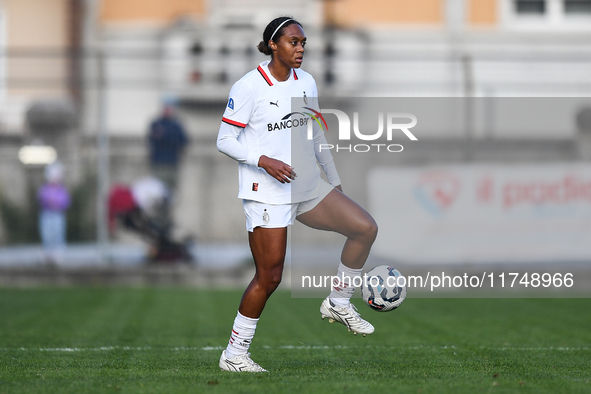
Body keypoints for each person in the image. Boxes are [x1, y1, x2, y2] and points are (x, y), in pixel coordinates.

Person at [216, 16, 378, 373]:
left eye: (303, 42)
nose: (300, 48)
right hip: (267, 192)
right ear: (273, 45)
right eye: (293, 41)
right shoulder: (248, 86)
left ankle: (338, 301)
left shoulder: (306, 81)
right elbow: (224, 140)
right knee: (269, 277)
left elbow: (316, 135)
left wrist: (333, 181)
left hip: (306, 186)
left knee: (364, 228)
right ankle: (235, 354)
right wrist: (263, 161)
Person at [147, 103, 189, 192]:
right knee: (157, 188)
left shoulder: (176, 125)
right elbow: (153, 139)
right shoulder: (157, 123)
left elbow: (183, 141)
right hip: (158, 162)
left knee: (171, 188)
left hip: (172, 162)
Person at [38, 161, 70, 265]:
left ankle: (58, 255)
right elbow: (41, 198)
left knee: (58, 233)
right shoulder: (44, 189)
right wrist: (48, 202)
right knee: (47, 234)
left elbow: (66, 201)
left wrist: (57, 203)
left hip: (57, 214)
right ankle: (48, 255)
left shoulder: (61, 189)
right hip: (47, 214)